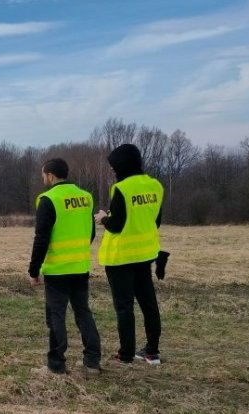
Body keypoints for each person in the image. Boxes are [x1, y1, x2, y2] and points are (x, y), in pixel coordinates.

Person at [28, 158, 102, 375]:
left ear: (50, 175)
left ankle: (56, 365)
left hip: (57, 270)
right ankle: (92, 362)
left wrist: (34, 270)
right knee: (83, 313)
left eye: (44, 175)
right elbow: (90, 232)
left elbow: (41, 239)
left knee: (56, 317)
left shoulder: (48, 199)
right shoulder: (86, 197)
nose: (43, 179)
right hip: (80, 267)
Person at [94, 144, 164, 365]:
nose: (113, 170)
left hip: (121, 256)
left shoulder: (121, 189)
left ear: (122, 165)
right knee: (148, 304)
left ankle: (126, 354)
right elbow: (156, 221)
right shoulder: (155, 186)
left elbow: (116, 225)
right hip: (145, 254)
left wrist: (103, 218)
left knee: (124, 307)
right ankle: (152, 351)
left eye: (114, 167)